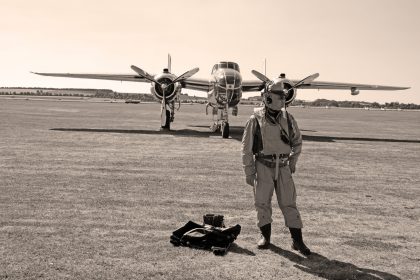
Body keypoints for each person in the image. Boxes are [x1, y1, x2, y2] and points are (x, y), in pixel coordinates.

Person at [241, 82, 311, 255]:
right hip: (263, 165)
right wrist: (249, 172)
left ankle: (298, 241)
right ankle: (265, 237)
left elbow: (298, 142)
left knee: (289, 203)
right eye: (280, 96)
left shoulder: (289, 119)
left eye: (283, 97)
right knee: (262, 203)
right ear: (268, 97)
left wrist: (293, 161)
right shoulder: (255, 119)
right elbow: (246, 148)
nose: (283, 100)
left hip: (284, 167)